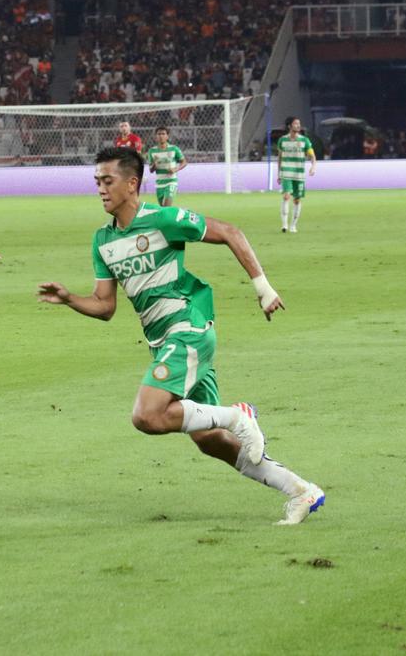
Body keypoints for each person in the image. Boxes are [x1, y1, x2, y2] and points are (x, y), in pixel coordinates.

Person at [36, 147, 324, 525]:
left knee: (147, 416)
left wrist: (263, 288)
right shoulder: (102, 240)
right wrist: (69, 299)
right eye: (97, 182)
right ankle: (301, 490)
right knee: (209, 440)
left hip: (187, 330)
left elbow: (230, 232)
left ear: (132, 183)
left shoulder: (163, 220)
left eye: (107, 181)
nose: (101, 189)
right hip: (164, 343)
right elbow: (105, 306)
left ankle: (239, 416)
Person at [276, 117, 316, 233]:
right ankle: (284, 225)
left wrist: (313, 167)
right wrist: (279, 174)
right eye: (295, 124)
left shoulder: (304, 140)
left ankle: (293, 225)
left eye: (299, 123)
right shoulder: (282, 140)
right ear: (289, 126)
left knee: (297, 200)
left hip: (298, 174)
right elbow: (280, 157)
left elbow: (312, 156)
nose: (298, 125)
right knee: (286, 196)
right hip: (286, 172)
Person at [144, 126, 187, 205]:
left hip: (171, 181)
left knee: (166, 205)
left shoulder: (174, 149)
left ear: (167, 136)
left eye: (163, 134)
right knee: (163, 208)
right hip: (159, 184)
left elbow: (184, 162)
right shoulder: (152, 151)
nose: (161, 136)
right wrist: (154, 165)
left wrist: (175, 169)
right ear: (156, 137)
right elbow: (151, 170)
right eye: (159, 134)